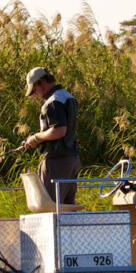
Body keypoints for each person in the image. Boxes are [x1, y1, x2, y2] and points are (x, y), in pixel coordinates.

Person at [23, 66, 81, 204]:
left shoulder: (53, 102)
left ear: (41, 82)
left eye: (34, 89)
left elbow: (59, 131)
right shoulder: (67, 96)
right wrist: (39, 139)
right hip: (71, 160)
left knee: (49, 206)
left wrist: (36, 137)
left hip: (57, 162)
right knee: (66, 208)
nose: (35, 94)